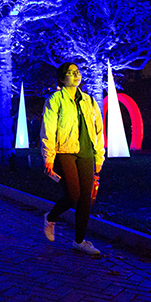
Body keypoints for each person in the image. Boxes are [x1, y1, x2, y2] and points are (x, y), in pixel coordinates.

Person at [41, 62, 105, 255]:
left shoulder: (89, 101)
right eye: (71, 73)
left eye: (77, 72)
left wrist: (99, 157)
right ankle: (51, 217)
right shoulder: (55, 99)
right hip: (64, 151)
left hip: (87, 153)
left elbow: (99, 131)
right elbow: (48, 129)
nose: (76, 76)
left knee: (86, 199)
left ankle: (79, 241)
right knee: (73, 195)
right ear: (61, 78)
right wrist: (48, 157)